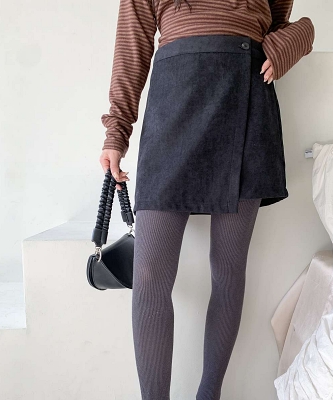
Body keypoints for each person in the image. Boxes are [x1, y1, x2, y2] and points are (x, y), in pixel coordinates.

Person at [99, 0, 315, 398]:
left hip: (244, 104)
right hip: (173, 105)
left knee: (228, 270)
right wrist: (117, 132)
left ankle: (209, 394)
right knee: (148, 275)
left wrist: (300, 36)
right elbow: (132, 46)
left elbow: (277, 25)